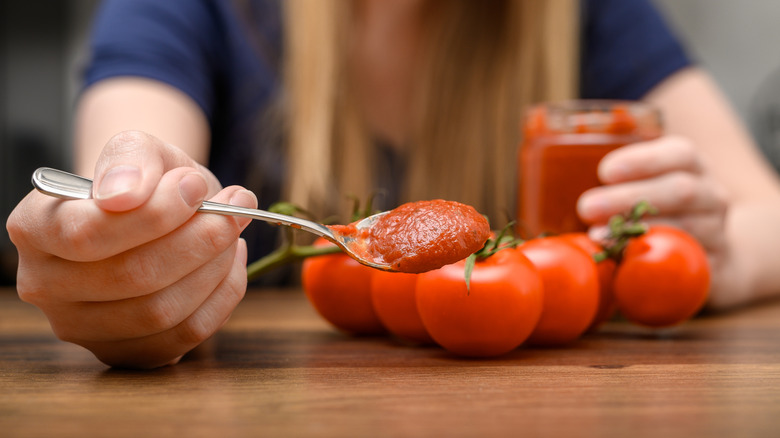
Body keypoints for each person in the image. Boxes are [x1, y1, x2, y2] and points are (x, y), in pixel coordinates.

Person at [6, 0, 780, 368]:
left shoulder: (591, 13)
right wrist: (121, 240)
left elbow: (766, 216)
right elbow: (130, 143)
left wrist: (719, 257)